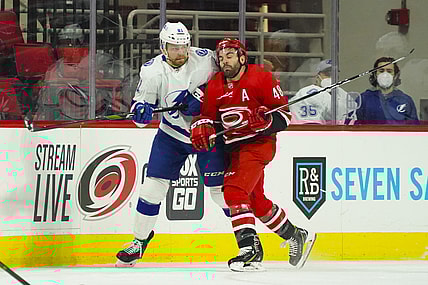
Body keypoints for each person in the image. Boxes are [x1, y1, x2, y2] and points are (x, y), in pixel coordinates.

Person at [190, 38, 316, 272]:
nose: (224, 60)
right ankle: (295, 235)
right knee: (256, 201)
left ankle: (249, 249)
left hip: (259, 144)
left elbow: (284, 118)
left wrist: (265, 121)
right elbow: (208, 118)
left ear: (241, 57)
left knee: (234, 190)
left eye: (229, 55)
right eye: (221, 57)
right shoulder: (215, 85)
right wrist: (203, 127)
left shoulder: (262, 78)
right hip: (233, 148)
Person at [115, 22, 229, 267]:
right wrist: (141, 113)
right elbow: (140, 110)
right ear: (162, 47)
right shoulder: (152, 72)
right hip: (171, 135)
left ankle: (247, 240)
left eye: (183, 47)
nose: (180, 52)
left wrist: (204, 94)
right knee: (151, 190)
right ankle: (139, 242)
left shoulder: (205, 59)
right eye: (173, 47)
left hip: (207, 134)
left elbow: (232, 79)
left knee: (221, 193)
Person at [290, 59, 358, 124]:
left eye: (335, 74)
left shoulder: (343, 94)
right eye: (327, 74)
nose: (332, 77)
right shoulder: (306, 93)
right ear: (317, 76)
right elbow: (311, 126)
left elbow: (351, 122)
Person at [355, 56, 419, 124]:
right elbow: (354, 126)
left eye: (389, 71)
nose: (385, 74)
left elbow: (414, 129)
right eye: (381, 71)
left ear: (395, 75)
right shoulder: (363, 99)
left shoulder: (405, 100)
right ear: (375, 74)